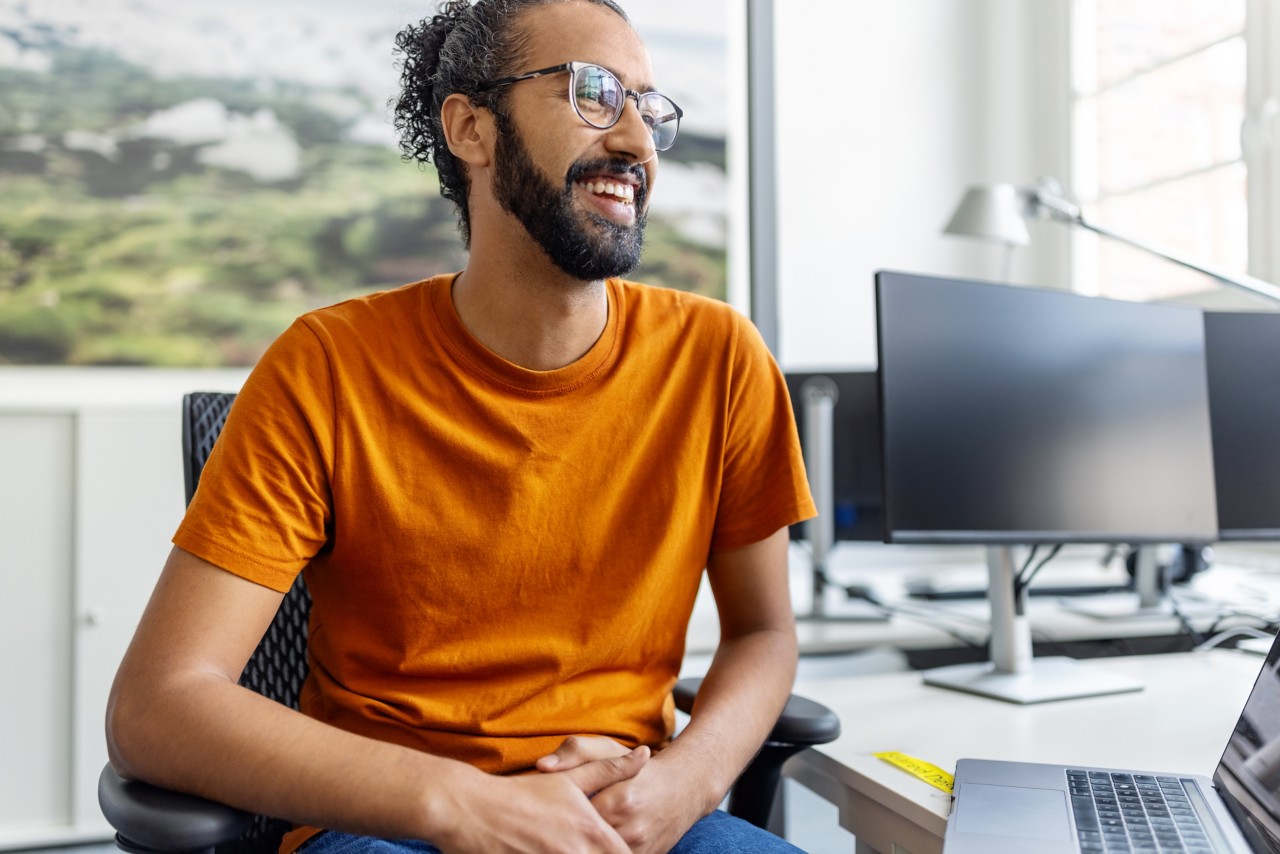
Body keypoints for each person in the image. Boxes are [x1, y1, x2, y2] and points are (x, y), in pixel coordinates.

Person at [105, 0, 816, 851]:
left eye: (647, 107)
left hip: (630, 817)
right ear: (471, 128)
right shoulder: (327, 365)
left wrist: (685, 783)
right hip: (394, 825)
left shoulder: (721, 357)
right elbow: (158, 702)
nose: (635, 140)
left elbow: (766, 633)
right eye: (594, 93)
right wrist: (459, 801)